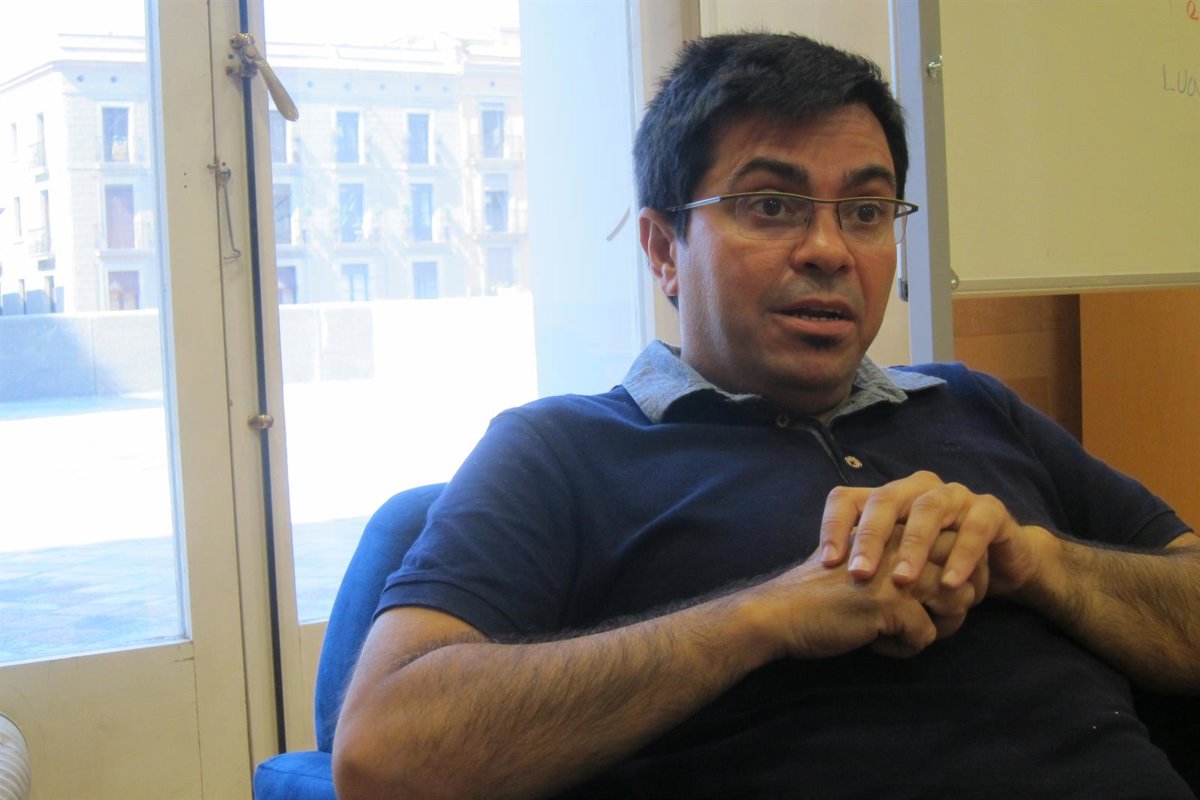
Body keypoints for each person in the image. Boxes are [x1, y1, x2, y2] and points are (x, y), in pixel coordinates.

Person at [332, 32, 1200, 799]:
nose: (829, 250)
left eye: (866, 212)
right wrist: (766, 618)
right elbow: (384, 754)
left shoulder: (974, 403)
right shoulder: (561, 449)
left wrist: (1037, 561)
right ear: (663, 249)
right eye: (771, 206)